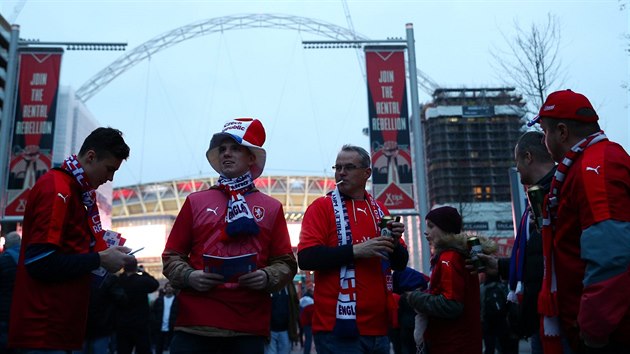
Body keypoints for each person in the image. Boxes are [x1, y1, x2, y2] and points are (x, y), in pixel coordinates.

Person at [162, 118, 297, 354]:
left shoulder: (272, 207)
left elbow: (286, 263)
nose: (226, 154)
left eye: (235, 148)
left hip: (248, 327)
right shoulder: (195, 201)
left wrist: (266, 277)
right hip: (195, 324)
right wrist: (190, 276)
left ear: (251, 158)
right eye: (222, 149)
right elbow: (172, 256)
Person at [8, 127, 134, 352]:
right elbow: (39, 262)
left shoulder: (74, 191)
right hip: (43, 331)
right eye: (109, 169)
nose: (110, 178)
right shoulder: (58, 190)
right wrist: (99, 260)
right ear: (91, 156)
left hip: (59, 329)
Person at [527, 89, 630, 353]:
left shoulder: (593, 168)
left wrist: (594, 325)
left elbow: (612, 253)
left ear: (561, 132)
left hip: (608, 335)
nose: (544, 142)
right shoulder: (592, 163)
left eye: (545, 133)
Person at [297, 144, 409, 354]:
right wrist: (356, 251)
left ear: (367, 173)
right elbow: (306, 258)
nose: (341, 172)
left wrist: (394, 242)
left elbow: (400, 263)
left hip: (378, 329)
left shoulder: (380, 209)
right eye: (337, 167)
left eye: (348, 167)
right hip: (337, 330)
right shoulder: (321, 207)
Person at [477, 130, 556, 354]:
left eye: (517, 161)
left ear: (528, 157)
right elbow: (535, 257)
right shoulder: (536, 197)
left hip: (555, 316)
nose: (517, 168)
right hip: (539, 316)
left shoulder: (558, 192)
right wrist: (500, 266)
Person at [405, 206, 482, 354]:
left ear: (445, 228)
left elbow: (451, 304)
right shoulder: (456, 256)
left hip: (453, 344)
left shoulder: (449, 258)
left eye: (431, 226)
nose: (426, 232)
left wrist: (415, 298)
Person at [115, 258, 159, 354]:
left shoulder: (118, 281)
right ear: (136, 267)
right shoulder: (142, 281)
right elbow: (155, 284)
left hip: (122, 324)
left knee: (123, 350)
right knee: (143, 350)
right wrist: (143, 272)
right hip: (141, 324)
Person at [0, 232, 21, 354]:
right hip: (24, 309)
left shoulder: (3, 260)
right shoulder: (29, 258)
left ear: (7, 245)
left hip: (4, 310)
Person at [265, 284, 299, 354]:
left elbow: (295, 303)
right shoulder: (268, 284)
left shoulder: (289, 286)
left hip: (285, 329)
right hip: (270, 330)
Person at [151, 282, 179, 354]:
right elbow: (153, 312)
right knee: (158, 347)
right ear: (164, 289)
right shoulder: (159, 300)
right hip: (160, 327)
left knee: (173, 347)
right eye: (167, 286)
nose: (169, 288)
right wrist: (155, 322)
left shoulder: (177, 301)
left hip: (172, 328)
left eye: (171, 286)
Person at [299, 290, 314, 354]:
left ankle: (302, 345)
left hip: (303, 322)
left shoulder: (302, 301)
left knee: (304, 335)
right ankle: (306, 352)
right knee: (308, 339)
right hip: (309, 323)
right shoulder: (311, 302)